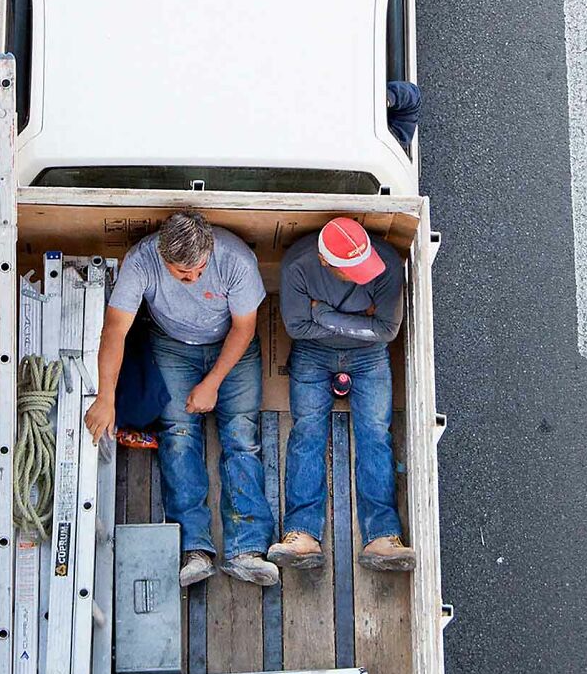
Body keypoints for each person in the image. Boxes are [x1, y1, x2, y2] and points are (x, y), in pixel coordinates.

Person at [85, 211, 278, 588]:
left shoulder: (235, 260)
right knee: (177, 436)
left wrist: (212, 383)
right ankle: (195, 548)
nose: (191, 279)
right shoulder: (141, 261)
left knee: (241, 436)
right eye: (180, 274)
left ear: (208, 253)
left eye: (197, 272)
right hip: (172, 347)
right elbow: (115, 329)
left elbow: (244, 328)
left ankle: (247, 549)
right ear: (162, 257)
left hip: (232, 350)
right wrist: (105, 396)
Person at [268, 216, 416, 574]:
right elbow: (296, 327)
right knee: (307, 432)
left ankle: (382, 536)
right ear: (325, 261)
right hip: (313, 353)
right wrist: (358, 320)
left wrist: (324, 313)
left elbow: (386, 331)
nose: (367, 274)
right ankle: (301, 533)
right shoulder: (298, 265)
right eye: (353, 270)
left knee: (375, 434)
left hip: (368, 355)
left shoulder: (386, 264)